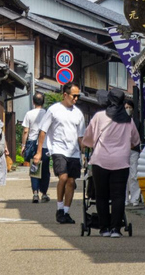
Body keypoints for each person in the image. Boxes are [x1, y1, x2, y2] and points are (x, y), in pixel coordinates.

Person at [82, 88, 140, 238]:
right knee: (118, 196)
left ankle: (104, 229)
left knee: (101, 196)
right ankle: (116, 229)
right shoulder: (128, 120)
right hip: (121, 162)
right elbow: (135, 141)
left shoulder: (99, 116)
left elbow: (87, 139)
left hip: (100, 161)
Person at [33, 82, 85, 224]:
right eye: (74, 96)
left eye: (77, 96)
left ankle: (66, 212)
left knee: (71, 181)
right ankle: (59, 208)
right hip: (58, 149)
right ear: (65, 95)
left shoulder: (78, 114)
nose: (76, 99)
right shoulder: (54, 110)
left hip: (73, 151)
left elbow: (81, 136)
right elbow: (43, 131)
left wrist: (85, 152)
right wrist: (39, 152)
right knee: (63, 177)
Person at [21, 91, 51, 203]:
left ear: (33, 102)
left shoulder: (29, 114)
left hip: (32, 143)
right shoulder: (48, 113)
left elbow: (25, 131)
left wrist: (23, 145)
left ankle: (35, 193)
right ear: (43, 102)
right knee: (45, 170)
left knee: (34, 168)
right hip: (45, 144)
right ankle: (44, 193)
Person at [124, 98, 142, 206]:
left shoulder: (136, 121)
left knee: (134, 175)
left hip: (134, 150)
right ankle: (125, 199)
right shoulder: (119, 120)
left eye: (130, 107)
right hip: (122, 151)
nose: (128, 109)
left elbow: (139, 136)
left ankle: (135, 198)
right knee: (124, 176)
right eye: (126, 107)